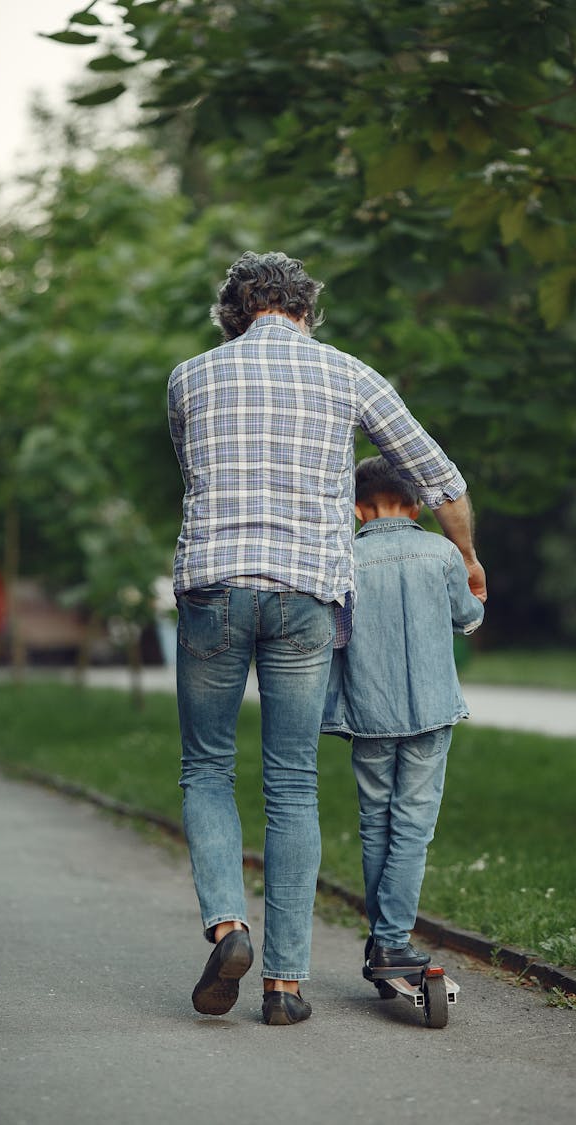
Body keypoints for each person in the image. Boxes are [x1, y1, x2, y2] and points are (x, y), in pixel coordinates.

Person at [168, 251, 486, 1026]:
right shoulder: (350, 375)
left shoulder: (190, 377)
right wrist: (468, 560)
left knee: (208, 766)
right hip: (307, 596)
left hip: (214, 588)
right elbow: (440, 477)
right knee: (292, 781)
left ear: (235, 313)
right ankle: (283, 984)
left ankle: (228, 925)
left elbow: (194, 474)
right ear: (305, 309)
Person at [322, 456, 484, 974]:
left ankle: (382, 938)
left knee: (376, 824)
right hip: (432, 710)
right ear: (416, 506)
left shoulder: (342, 558)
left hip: (367, 710)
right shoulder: (442, 553)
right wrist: (476, 596)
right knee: (412, 826)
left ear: (355, 509)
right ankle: (391, 939)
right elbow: (466, 615)